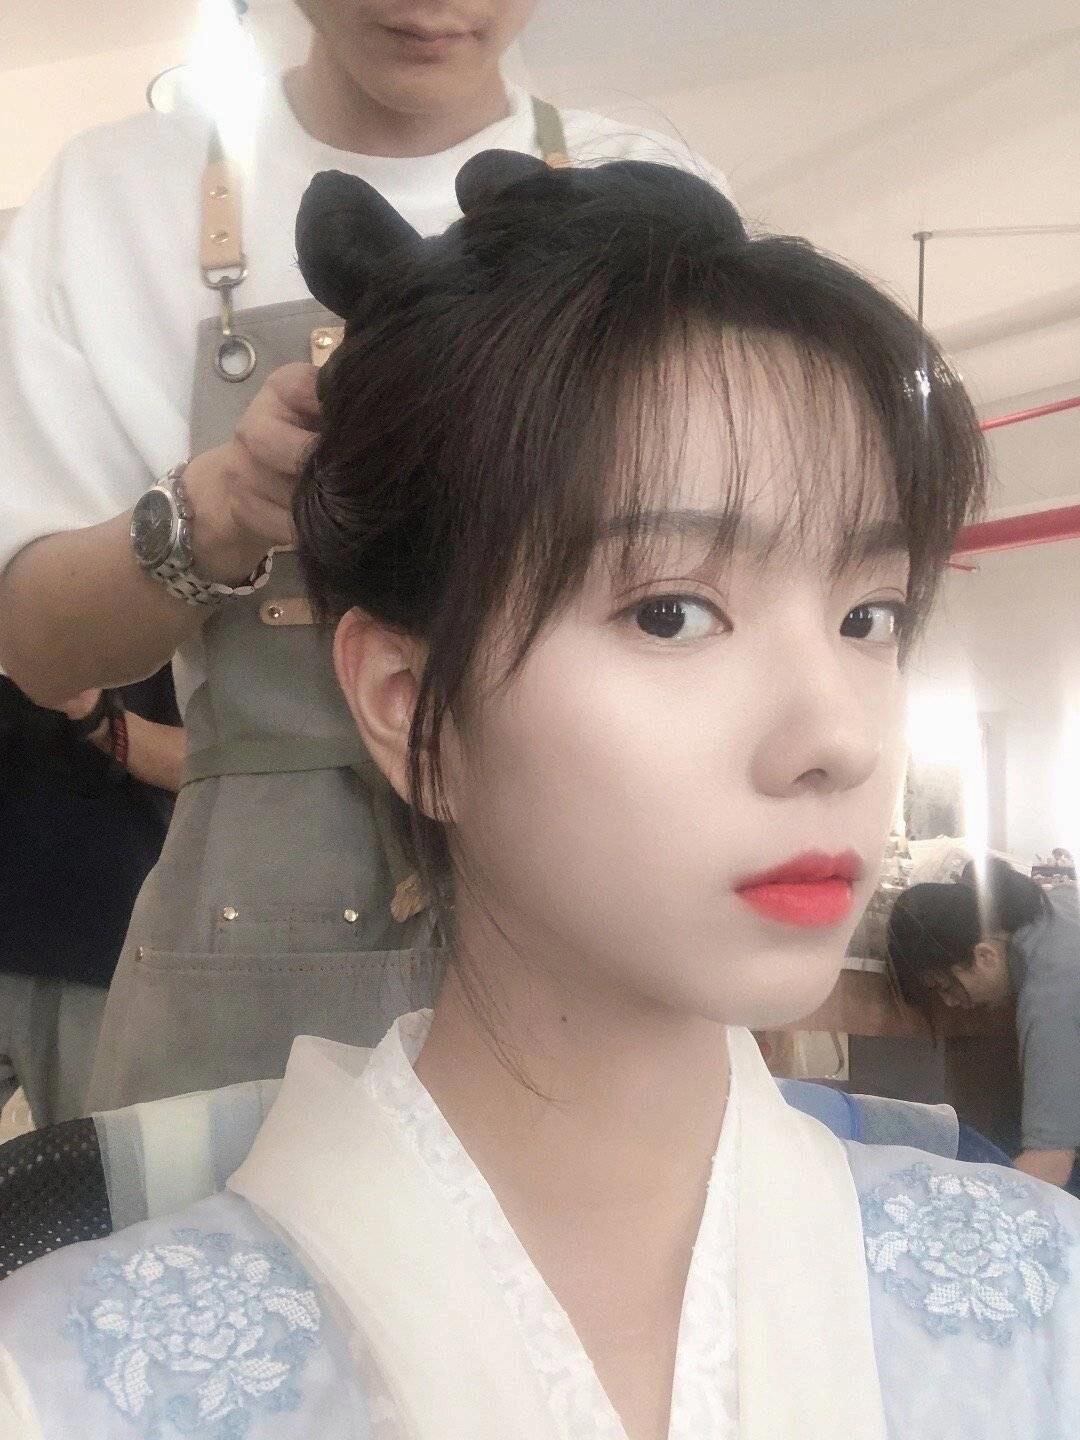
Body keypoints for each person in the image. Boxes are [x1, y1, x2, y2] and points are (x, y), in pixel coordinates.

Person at [3, 150, 1078, 1440]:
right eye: (673, 613)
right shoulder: (70, 1385)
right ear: (409, 706)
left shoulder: (1040, 1298)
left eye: (869, 615)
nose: (837, 741)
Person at [0, 1, 729, 1110]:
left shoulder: (652, 188)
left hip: (602, 924)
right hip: (259, 946)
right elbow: (41, 642)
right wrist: (225, 505)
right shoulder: (113, 201)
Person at [0, 669, 182, 1127]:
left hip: (99, 950)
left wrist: (97, 715)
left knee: (97, 1161)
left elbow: (211, 763)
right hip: (91, 942)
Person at [889, 855, 1080, 1191]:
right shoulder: (1057, 906)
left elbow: (1050, 1165)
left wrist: (951, 1200)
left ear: (985, 956)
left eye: (946, 986)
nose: (950, 1002)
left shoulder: (1049, 996)